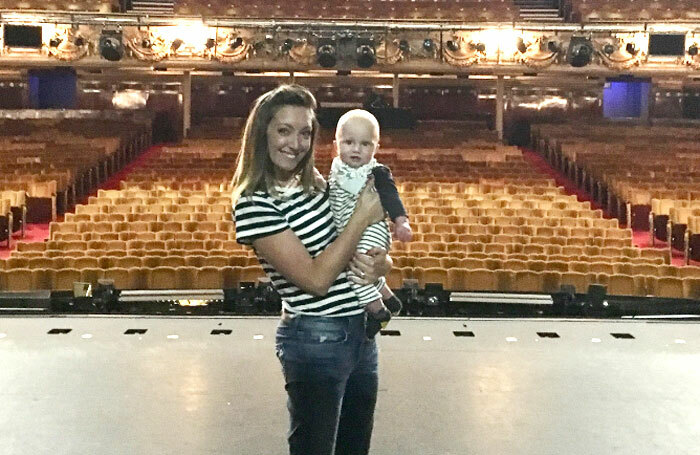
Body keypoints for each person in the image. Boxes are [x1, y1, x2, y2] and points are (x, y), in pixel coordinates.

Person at [231, 84, 391, 455]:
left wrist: (382, 263)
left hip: (360, 332)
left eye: (305, 132)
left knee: (355, 446)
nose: (296, 143)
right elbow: (317, 280)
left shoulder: (317, 184)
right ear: (262, 134)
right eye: (283, 130)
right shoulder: (253, 203)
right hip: (315, 338)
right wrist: (363, 215)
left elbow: (364, 248)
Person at [329, 109, 412, 338]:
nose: (356, 149)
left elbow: (391, 197)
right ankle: (388, 296)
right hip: (349, 228)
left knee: (357, 271)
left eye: (365, 144)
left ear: (376, 147)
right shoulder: (335, 173)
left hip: (372, 228)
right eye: (349, 142)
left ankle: (378, 312)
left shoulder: (377, 172)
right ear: (336, 145)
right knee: (362, 266)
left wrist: (401, 222)